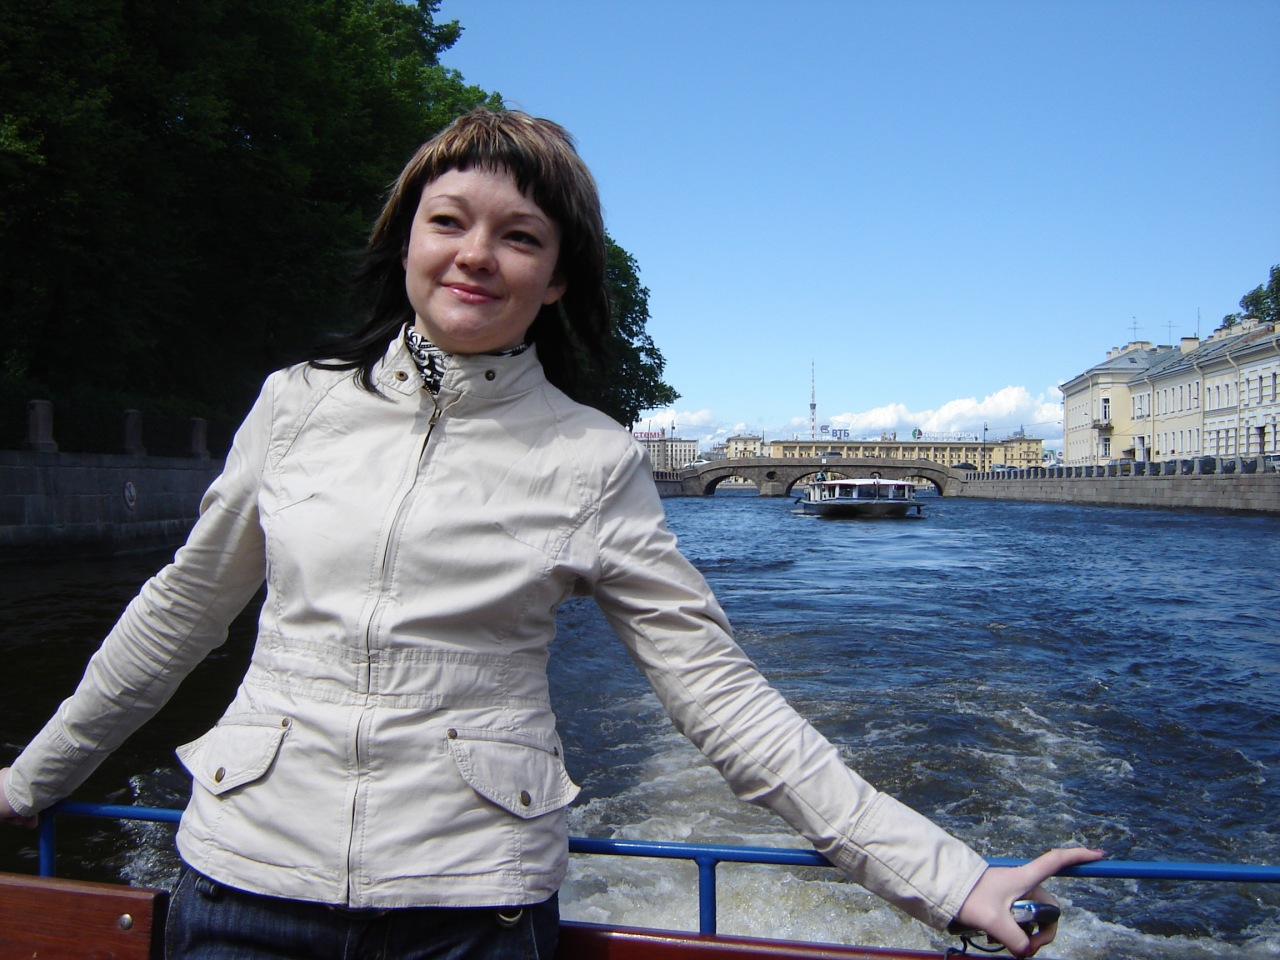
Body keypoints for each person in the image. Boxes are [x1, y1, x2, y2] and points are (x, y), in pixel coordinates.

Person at [0, 108, 1100, 959]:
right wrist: (22, 784)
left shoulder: (591, 456)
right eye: (448, 221)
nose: (476, 255)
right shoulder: (296, 405)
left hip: (468, 911)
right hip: (246, 887)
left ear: (557, 276)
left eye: (518, 236)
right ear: (404, 242)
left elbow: (716, 695)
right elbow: (179, 614)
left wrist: (945, 876)